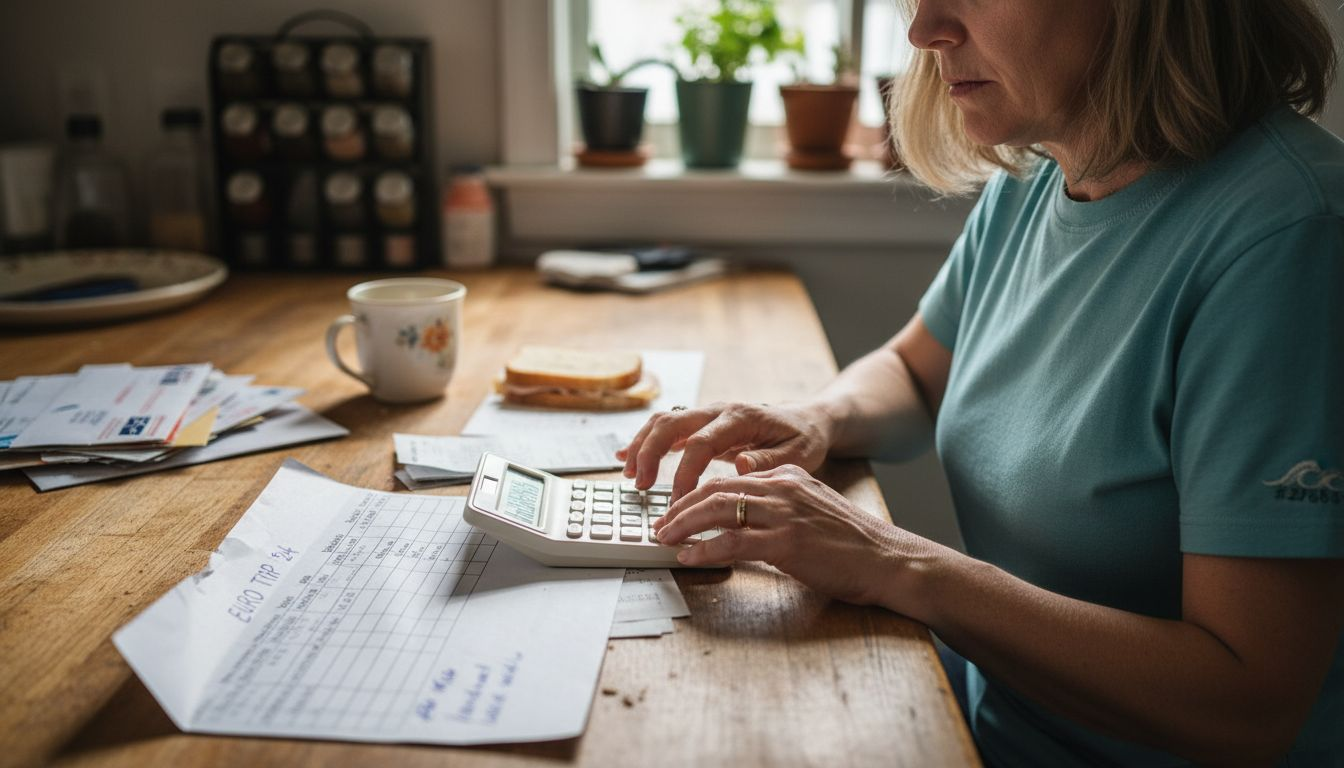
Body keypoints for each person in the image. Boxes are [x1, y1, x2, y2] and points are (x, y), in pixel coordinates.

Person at [617, 0, 1344, 765]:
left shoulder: (1291, 240)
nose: (923, 30)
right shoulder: (1039, 174)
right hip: (996, 717)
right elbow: (915, 373)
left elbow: (1249, 704)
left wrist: (893, 561)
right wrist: (818, 417)